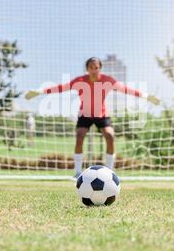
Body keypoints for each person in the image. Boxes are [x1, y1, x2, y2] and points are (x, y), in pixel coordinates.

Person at [25, 57, 160, 177]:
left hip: (102, 114)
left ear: (100, 68)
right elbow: (61, 88)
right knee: (80, 135)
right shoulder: (80, 80)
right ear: (87, 69)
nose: (94, 70)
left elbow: (126, 89)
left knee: (110, 135)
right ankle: (78, 172)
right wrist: (39, 92)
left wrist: (146, 96)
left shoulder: (108, 80)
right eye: (91, 67)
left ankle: (110, 171)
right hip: (85, 113)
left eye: (96, 67)